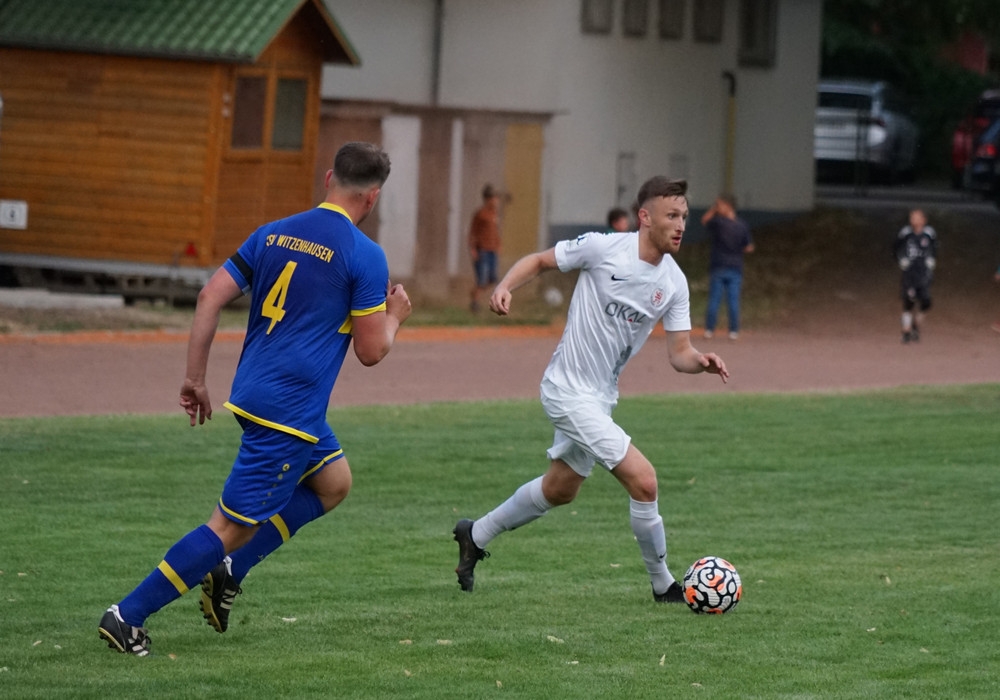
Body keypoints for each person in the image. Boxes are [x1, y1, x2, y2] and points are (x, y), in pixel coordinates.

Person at [98, 142, 412, 656]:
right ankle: (127, 616)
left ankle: (230, 570)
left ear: (329, 178)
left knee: (333, 482)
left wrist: (195, 378)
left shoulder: (272, 232)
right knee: (230, 527)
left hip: (255, 394)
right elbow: (372, 351)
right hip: (290, 412)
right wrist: (395, 316)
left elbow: (209, 296)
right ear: (373, 198)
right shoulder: (364, 254)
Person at [452, 176, 729, 602]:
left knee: (560, 489)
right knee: (644, 481)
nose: (680, 225)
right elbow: (540, 261)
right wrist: (504, 286)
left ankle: (475, 534)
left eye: (685, 217)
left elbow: (680, 353)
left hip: (600, 399)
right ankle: (664, 586)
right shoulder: (603, 248)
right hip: (566, 390)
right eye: (672, 215)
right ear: (645, 217)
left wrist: (701, 362)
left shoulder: (674, 283)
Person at [702, 193, 754, 341]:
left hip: (718, 266)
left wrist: (713, 209)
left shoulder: (718, 223)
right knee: (733, 300)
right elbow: (749, 247)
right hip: (735, 267)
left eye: (719, 205)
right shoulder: (742, 225)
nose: (717, 208)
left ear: (727, 206)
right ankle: (733, 331)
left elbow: (704, 220)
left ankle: (709, 329)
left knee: (715, 299)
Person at [895, 208, 938, 343]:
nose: (914, 220)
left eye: (917, 217)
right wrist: (901, 259)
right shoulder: (905, 233)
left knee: (926, 302)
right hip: (910, 274)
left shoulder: (929, 233)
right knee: (909, 301)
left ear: (924, 220)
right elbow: (896, 248)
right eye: (912, 217)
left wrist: (931, 259)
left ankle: (915, 325)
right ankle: (906, 331)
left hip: (924, 273)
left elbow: (934, 248)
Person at [469, 183, 504, 311]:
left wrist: (498, 244)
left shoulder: (495, 214)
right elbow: (473, 232)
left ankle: (474, 293)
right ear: (487, 199)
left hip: (492, 250)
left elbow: (495, 231)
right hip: (482, 250)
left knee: (492, 279)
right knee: (482, 279)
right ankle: (475, 302)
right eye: (494, 198)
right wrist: (473, 249)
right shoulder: (480, 214)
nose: (496, 201)